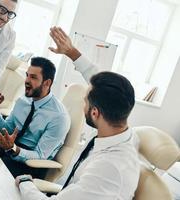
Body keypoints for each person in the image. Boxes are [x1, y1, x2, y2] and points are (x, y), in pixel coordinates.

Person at [15, 27, 140, 200]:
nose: (83, 104)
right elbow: (104, 85)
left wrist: (25, 183)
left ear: (95, 113)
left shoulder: (108, 167)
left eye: (85, 100)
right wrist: (72, 53)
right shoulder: (121, 129)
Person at [0, 57, 71, 179]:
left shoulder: (59, 117)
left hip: (30, 165)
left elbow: (40, 155)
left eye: (33, 77)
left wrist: (13, 148)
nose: (26, 80)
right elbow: (8, 130)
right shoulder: (23, 101)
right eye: (27, 75)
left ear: (47, 83)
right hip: (10, 149)